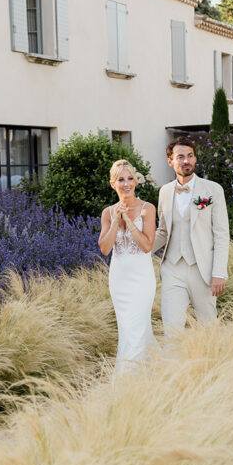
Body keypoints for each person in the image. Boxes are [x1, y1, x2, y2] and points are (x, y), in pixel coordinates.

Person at [152, 137, 230, 336]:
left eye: (190, 156)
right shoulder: (165, 192)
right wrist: (139, 250)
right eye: (180, 157)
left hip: (202, 270)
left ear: (195, 159)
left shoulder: (213, 190)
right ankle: (174, 367)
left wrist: (219, 273)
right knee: (171, 329)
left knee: (208, 328)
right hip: (172, 269)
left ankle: (212, 365)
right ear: (170, 161)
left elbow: (221, 234)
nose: (186, 161)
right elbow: (162, 231)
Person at [98, 159, 158, 373]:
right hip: (119, 280)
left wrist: (129, 221)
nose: (126, 183)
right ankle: (154, 374)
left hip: (142, 279)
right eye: (120, 179)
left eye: (130, 178)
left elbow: (146, 245)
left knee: (135, 326)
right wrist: (116, 220)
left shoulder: (147, 208)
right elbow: (105, 248)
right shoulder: (107, 213)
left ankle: (126, 382)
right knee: (128, 329)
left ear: (136, 181)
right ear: (112, 183)